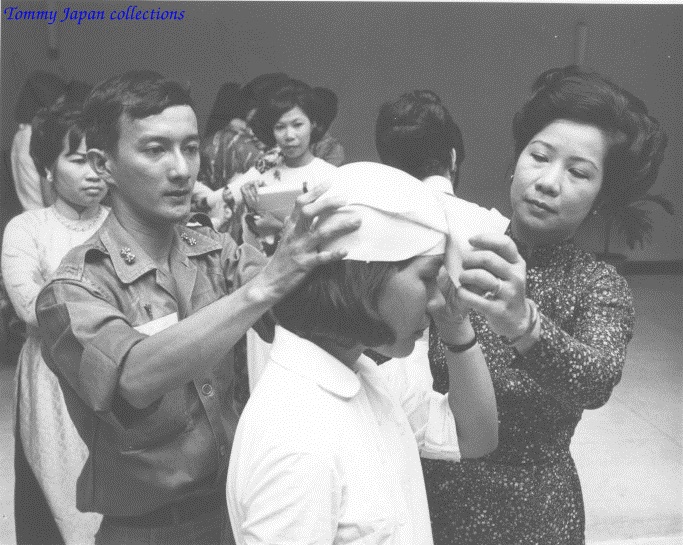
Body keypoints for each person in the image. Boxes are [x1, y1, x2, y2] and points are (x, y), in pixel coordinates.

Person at [34, 70, 359, 545]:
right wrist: (263, 286)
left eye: (189, 147)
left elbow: (306, 316)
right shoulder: (73, 289)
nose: (182, 169)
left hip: (242, 511)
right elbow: (135, 379)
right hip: (150, 532)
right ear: (104, 166)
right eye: (155, 149)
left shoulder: (214, 251)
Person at [423, 65, 667, 544]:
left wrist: (523, 323)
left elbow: (596, 380)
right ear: (517, 163)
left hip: (532, 508)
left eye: (578, 172)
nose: (549, 181)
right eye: (539, 156)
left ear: (601, 197)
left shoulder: (598, 285)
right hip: (432, 488)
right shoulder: (457, 246)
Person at [227, 161, 498, 545]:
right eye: (426, 277)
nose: (436, 301)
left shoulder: (365, 376)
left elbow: (477, 439)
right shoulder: (300, 440)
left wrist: (456, 328)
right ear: (364, 279)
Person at [2, 97, 109, 545]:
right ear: (47, 168)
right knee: (54, 494)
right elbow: (31, 307)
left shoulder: (125, 221)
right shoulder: (27, 230)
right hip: (51, 378)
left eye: (101, 160)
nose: (93, 173)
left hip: (121, 377)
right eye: (78, 159)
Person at [194, 74, 344, 233]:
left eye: (297, 125)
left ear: (313, 124)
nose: (289, 135)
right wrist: (249, 212)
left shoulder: (330, 176)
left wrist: (278, 226)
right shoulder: (260, 178)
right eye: (280, 127)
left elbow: (331, 232)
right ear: (271, 130)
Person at [10, 70, 67, 211]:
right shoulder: (42, 136)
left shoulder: (20, 136)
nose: (62, 111)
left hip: (29, 215)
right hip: (47, 220)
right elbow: (49, 199)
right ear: (43, 105)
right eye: (58, 105)